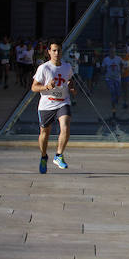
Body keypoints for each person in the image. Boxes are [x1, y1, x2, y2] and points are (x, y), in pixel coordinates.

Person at [31, 40, 76, 173]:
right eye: (54, 50)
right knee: (45, 132)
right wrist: (46, 87)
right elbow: (34, 87)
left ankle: (59, 155)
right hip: (47, 104)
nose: (57, 53)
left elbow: (70, 81)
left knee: (65, 126)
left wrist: (72, 88)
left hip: (63, 102)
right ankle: (44, 156)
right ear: (49, 52)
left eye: (59, 50)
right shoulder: (44, 68)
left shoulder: (67, 67)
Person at [102, 46, 123, 119]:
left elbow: (122, 65)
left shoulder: (119, 59)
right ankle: (113, 108)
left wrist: (122, 71)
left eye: (114, 52)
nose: (112, 53)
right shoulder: (106, 59)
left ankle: (115, 102)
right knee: (113, 92)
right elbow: (103, 68)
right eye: (111, 52)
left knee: (118, 93)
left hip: (117, 78)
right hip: (109, 78)